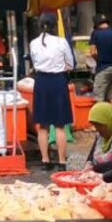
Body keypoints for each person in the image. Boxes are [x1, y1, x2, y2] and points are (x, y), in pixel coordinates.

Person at [28, 12, 75, 171]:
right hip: (58, 82)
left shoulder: (33, 43)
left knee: (43, 125)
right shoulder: (62, 42)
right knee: (60, 125)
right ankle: (62, 162)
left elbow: (34, 64)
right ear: (55, 25)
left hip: (41, 82)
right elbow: (71, 64)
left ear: (40, 25)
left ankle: (45, 160)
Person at [89, 14, 112, 102]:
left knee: (99, 98)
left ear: (96, 24)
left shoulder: (95, 33)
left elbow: (93, 52)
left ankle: (100, 115)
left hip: (102, 69)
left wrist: (99, 60)